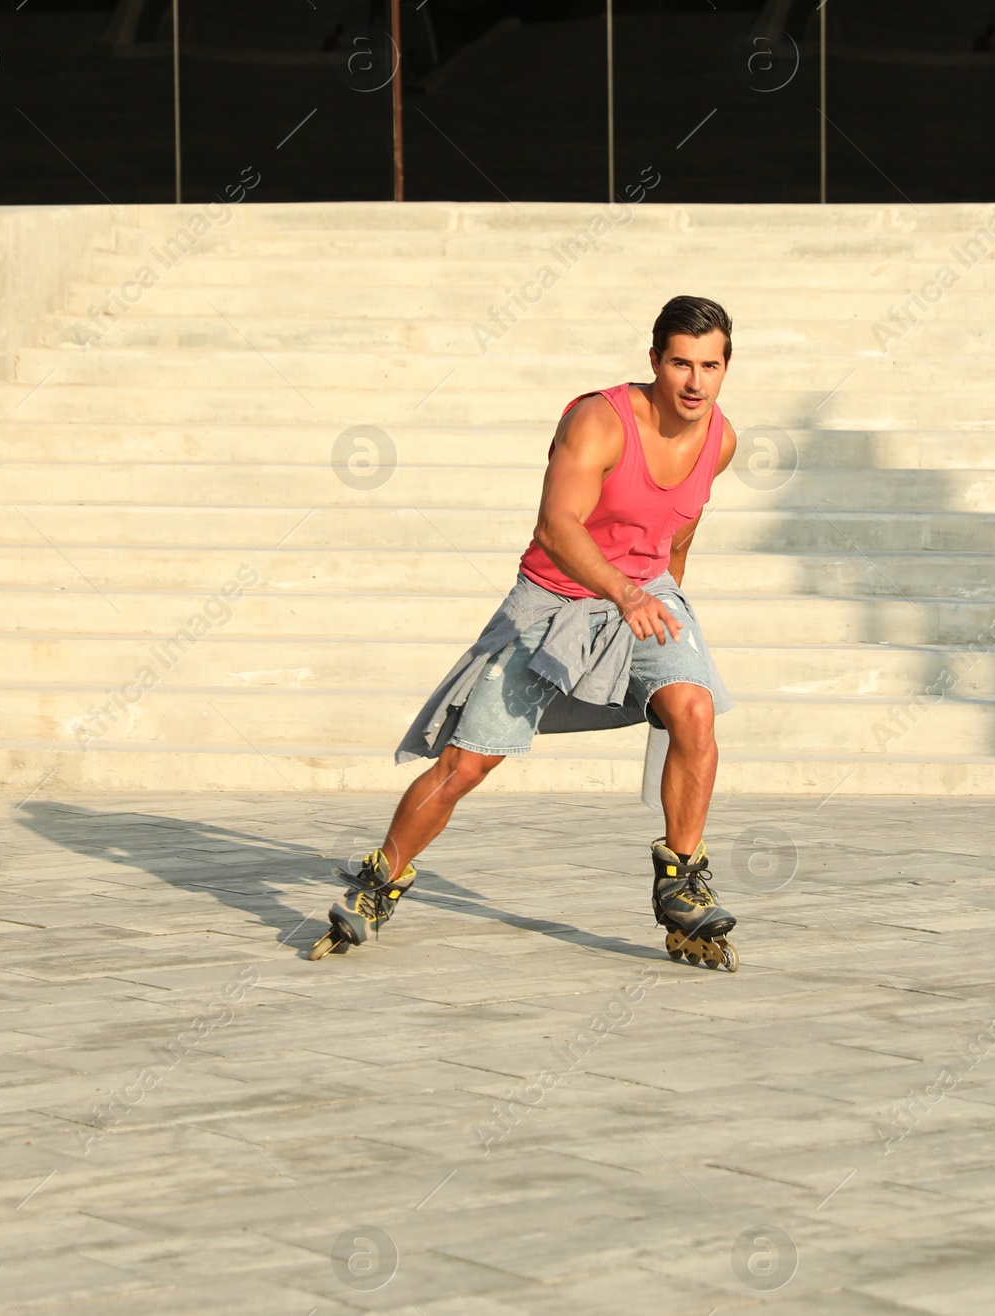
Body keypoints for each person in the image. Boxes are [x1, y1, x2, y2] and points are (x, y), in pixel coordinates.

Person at [309, 295, 743, 970]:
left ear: (725, 367)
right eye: (680, 364)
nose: (694, 382)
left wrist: (670, 614)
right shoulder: (598, 421)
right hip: (555, 596)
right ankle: (381, 878)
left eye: (709, 366)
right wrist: (623, 592)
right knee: (467, 763)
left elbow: (679, 529)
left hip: (646, 593)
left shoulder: (721, 439)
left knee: (694, 708)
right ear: (654, 360)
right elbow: (556, 528)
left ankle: (682, 883)